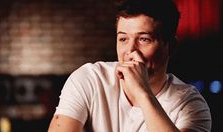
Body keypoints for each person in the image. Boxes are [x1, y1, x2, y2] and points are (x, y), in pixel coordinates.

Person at [48, 0, 211, 131]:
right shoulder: (90, 79)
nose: (130, 51)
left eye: (144, 39)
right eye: (123, 39)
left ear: (171, 46)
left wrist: (142, 92)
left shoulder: (191, 105)